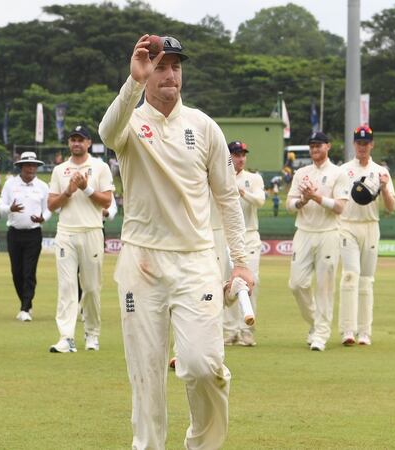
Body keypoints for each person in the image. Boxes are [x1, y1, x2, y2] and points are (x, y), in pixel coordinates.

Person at [98, 34, 252, 449]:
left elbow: (227, 197)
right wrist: (133, 81)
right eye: (161, 67)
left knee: (204, 366)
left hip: (196, 260)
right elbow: (107, 131)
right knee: (146, 373)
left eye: (175, 67)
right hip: (141, 262)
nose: (169, 75)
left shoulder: (203, 127)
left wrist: (240, 261)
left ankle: (202, 444)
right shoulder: (130, 121)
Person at [47, 126, 114, 352]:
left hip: (92, 231)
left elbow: (106, 201)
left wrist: (85, 188)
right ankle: (66, 337)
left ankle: (92, 333)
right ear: (69, 144)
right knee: (66, 287)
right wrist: (69, 191)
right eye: (73, 140)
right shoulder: (60, 170)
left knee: (92, 287)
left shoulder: (100, 167)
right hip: (66, 232)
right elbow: (51, 204)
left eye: (80, 140)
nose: (76, 143)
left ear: (88, 143)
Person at [287, 131, 348, 352]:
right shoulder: (302, 173)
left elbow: (340, 207)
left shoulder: (338, 173)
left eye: (319, 146)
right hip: (303, 231)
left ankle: (321, 334)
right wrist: (303, 200)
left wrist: (316, 197)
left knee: (324, 286)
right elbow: (289, 205)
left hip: (328, 233)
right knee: (296, 283)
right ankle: (316, 323)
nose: (315, 150)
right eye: (312, 146)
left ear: (328, 147)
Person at [338, 126, 395, 346]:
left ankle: (365, 332)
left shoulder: (381, 171)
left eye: (366, 143)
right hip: (347, 225)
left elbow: (391, 207)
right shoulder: (343, 170)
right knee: (350, 276)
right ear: (354, 144)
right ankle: (347, 330)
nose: (362, 147)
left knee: (366, 280)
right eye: (359, 143)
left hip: (371, 226)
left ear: (372, 144)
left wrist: (384, 188)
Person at [0, 152, 51, 321]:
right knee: (16, 272)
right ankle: (26, 303)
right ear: (21, 167)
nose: (31, 168)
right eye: (27, 165)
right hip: (14, 233)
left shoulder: (42, 186)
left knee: (29, 271)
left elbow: (49, 208)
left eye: (34, 165)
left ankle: (25, 308)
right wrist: (9, 210)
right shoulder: (10, 184)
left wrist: (44, 218)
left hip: (34, 233)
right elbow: (0, 206)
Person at [223, 141, 265, 346]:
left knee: (250, 282)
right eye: (236, 154)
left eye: (243, 155)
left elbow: (260, 201)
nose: (240, 158)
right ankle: (230, 330)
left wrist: (242, 192)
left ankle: (247, 330)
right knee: (228, 283)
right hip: (226, 237)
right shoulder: (221, 177)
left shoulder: (253, 178)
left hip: (249, 235)